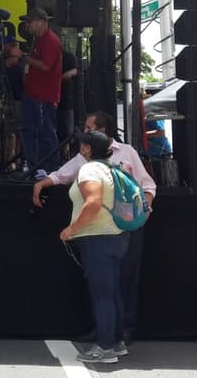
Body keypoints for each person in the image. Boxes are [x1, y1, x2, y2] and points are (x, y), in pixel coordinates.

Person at [33, 109, 156, 341]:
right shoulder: (85, 158)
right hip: (105, 230)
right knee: (104, 286)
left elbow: (147, 186)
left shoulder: (124, 153)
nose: (85, 133)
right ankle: (107, 332)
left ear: (101, 131)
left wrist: (144, 211)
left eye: (90, 129)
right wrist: (41, 184)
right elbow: (63, 174)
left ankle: (120, 333)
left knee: (122, 281)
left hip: (119, 227)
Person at [58, 129, 128, 364]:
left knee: (102, 295)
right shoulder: (111, 168)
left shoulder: (89, 169)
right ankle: (116, 343)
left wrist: (72, 229)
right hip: (117, 236)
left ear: (87, 149)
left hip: (97, 238)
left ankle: (105, 348)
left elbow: (93, 202)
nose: (80, 145)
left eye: (83, 143)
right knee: (112, 292)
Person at [18, 7, 62, 176]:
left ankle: (50, 168)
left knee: (45, 132)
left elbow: (46, 66)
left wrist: (22, 56)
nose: (27, 26)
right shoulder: (38, 40)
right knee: (29, 130)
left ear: (42, 22)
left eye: (30, 22)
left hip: (44, 95)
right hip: (32, 93)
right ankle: (34, 165)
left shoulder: (50, 40)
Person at [57, 44, 80, 156]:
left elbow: (74, 72)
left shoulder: (68, 57)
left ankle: (67, 152)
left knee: (68, 129)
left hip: (66, 97)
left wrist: (56, 79)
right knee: (55, 128)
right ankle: (59, 154)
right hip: (52, 99)